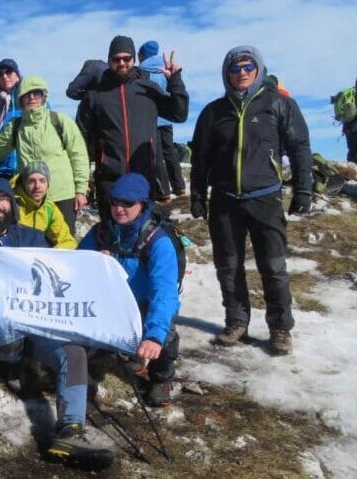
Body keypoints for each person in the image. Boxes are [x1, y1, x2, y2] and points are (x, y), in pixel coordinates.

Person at [0, 177, 113, 468]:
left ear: (11, 203)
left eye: (2, 198)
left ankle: (71, 430)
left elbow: (61, 273)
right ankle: (15, 366)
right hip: (2, 334)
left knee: (73, 353)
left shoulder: (34, 238)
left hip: (38, 328)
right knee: (9, 342)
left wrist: (94, 264)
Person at [190, 46, 313, 355]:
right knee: (228, 267)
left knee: (272, 267)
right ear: (226, 74)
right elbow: (200, 158)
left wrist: (303, 189)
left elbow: (299, 148)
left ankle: (280, 329)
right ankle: (236, 322)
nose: (241, 72)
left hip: (265, 198)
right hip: (224, 200)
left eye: (247, 67)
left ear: (258, 70)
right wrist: (197, 196)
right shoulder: (213, 112)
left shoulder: (279, 105)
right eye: (235, 68)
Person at [78, 173, 181, 406]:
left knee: (165, 333)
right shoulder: (100, 233)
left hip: (144, 306)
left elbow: (164, 294)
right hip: (110, 305)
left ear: (142, 204)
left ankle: (161, 376)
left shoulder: (158, 241)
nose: (119, 209)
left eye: (128, 203)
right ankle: (112, 352)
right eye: (115, 202)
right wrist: (93, 262)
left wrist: (154, 336)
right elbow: (74, 270)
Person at [0, 76, 89, 233]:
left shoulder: (60, 121)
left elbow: (79, 156)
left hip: (62, 195)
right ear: (20, 99)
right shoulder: (15, 127)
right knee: (31, 246)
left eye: (36, 93)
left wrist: (81, 190)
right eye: (26, 94)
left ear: (44, 96)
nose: (31, 97)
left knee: (63, 246)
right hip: (30, 197)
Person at [76, 36, 189, 220]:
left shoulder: (147, 88)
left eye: (126, 58)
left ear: (134, 59)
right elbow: (80, 138)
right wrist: (83, 182)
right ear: (109, 60)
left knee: (143, 237)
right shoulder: (94, 95)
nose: (121, 63)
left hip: (143, 179)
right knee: (111, 240)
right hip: (109, 181)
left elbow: (179, 114)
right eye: (116, 59)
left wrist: (175, 80)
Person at [139, 41, 186, 199]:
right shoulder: (166, 67)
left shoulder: (142, 70)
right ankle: (179, 186)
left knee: (156, 155)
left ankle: (163, 191)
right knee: (170, 152)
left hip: (152, 119)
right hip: (168, 118)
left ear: (142, 54)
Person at [12, 161, 77, 248]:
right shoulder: (11, 205)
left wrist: (51, 255)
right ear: (24, 184)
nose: (37, 186)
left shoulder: (50, 209)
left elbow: (68, 241)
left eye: (42, 181)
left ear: (48, 185)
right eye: (31, 181)